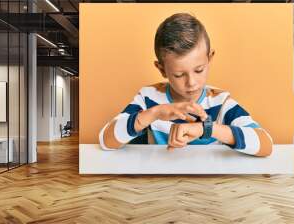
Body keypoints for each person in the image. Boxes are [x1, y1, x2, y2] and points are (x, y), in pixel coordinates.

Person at [99, 13, 273, 156]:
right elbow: (106, 141)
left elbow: (266, 144)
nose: (191, 83)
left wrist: (207, 129)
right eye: (179, 74)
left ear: (209, 59)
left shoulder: (221, 101)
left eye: (199, 70)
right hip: (160, 183)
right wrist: (155, 112)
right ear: (161, 69)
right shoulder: (147, 97)